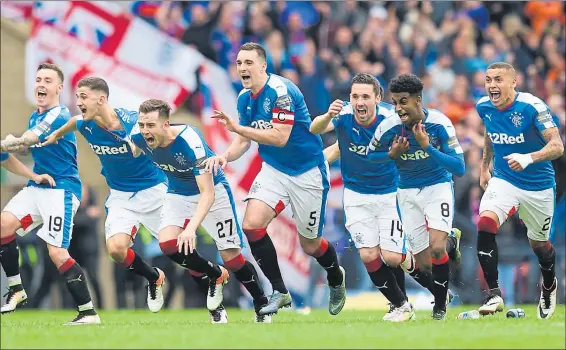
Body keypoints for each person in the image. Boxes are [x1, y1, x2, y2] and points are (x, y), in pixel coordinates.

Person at [204, 42, 346, 316]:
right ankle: (280, 291)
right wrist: (225, 156)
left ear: (263, 65)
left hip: (307, 173)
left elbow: (280, 137)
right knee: (252, 225)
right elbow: (242, 141)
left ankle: (335, 276)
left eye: (248, 63)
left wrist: (239, 128)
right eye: (239, 63)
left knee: (310, 245)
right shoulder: (245, 98)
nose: (243, 68)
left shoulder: (281, 92)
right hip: (274, 171)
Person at [312, 73, 461, 322]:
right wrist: (328, 116)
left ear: (378, 98)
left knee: (393, 257)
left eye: (365, 97)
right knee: (369, 255)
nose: (359, 102)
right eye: (355, 96)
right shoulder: (344, 115)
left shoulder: (391, 120)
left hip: (390, 193)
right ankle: (401, 305)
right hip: (356, 195)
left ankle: (440, 281)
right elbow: (316, 129)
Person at [128, 99, 271, 323]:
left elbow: (207, 193)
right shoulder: (138, 137)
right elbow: (133, 147)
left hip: (213, 192)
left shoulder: (190, 141)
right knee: (168, 244)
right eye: (142, 125)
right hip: (177, 192)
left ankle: (261, 303)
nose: (145, 131)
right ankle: (215, 282)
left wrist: (191, 229)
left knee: (231, 259)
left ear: (166, 125)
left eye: (150, 126)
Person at [42, 77, 171, 313]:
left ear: (101, 99)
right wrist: (56, 135)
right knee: (116, 251)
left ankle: (214, 277)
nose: (78, 101)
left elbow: (146, 136)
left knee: (175, 247)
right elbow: (74, 122)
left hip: (154, 190)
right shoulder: (85, 124)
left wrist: (137, 142)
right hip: (121, 194)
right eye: (77, 96)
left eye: (83, 97)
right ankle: (154, 278)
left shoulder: (131, 121)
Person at [0, 63, 100, 325]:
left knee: (57, 253)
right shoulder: (35, 116)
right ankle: (16, 290)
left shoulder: (59, 114)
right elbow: (6, 157)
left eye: (47, 80)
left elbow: (30, 139)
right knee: (3, 225)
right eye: (38, 79)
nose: (41, 84)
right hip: (39, 187)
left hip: (62, 190)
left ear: (59, 87)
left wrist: (8, 142)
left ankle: (88, 312)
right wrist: (32, 175)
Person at [368, 73, 466, 320]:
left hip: (437, 188)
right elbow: (369, 157)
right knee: (423, 265)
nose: (398, 108)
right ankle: (450, 241)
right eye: (395, 102)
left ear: (418, 101)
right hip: (407, 192)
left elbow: (460, 168)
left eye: (403, 102)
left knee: (436, 249)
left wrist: (427, 147)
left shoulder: (440, 124)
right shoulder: (389, 126)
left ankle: (440, 308)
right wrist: (392, 154)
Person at [475, 62, 563, 319]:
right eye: (489, 80)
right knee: (485, 222)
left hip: (539, 187)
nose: (492, 85)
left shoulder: (532, 106)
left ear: (513, 82)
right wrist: (484, 166)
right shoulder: (484, 107)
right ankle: (493, 294)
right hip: (504, 180)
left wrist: (530, 158)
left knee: (539, 245)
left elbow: (557, 146)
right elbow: (491, 133)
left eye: (499, 80)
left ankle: (548, 285)